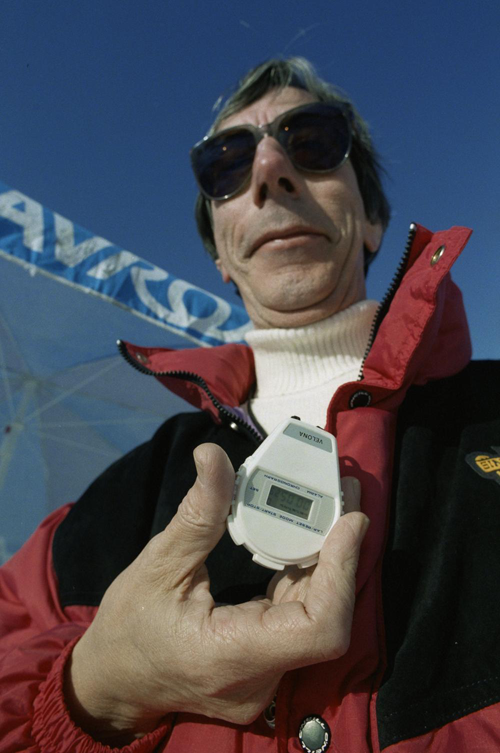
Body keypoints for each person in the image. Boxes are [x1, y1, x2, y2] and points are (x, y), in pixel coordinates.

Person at [1, 57, 499, 753]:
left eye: (313, 141)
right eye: (226, 164)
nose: (269, 169)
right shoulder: (116, 500)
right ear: (221, 258)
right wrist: (98, 688)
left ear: (373, 219)